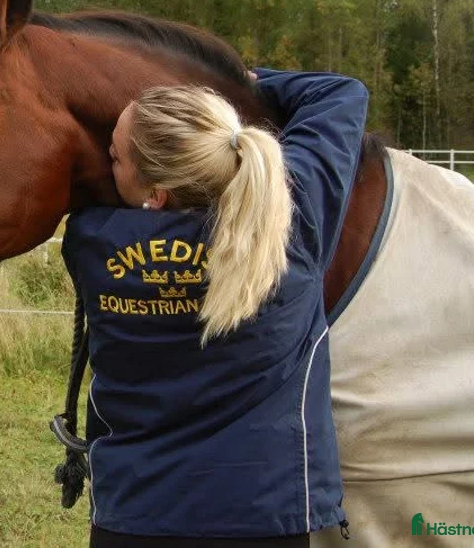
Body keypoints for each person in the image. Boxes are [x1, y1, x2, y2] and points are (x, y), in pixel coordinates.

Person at [59, 68, 367, 547]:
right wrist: (245, 78)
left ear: (156, 197)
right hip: (268, 513)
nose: (107, 161)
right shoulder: (295, 221)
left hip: (136, 515)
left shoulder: (90, 241)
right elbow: (343, 93)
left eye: (114, 157)